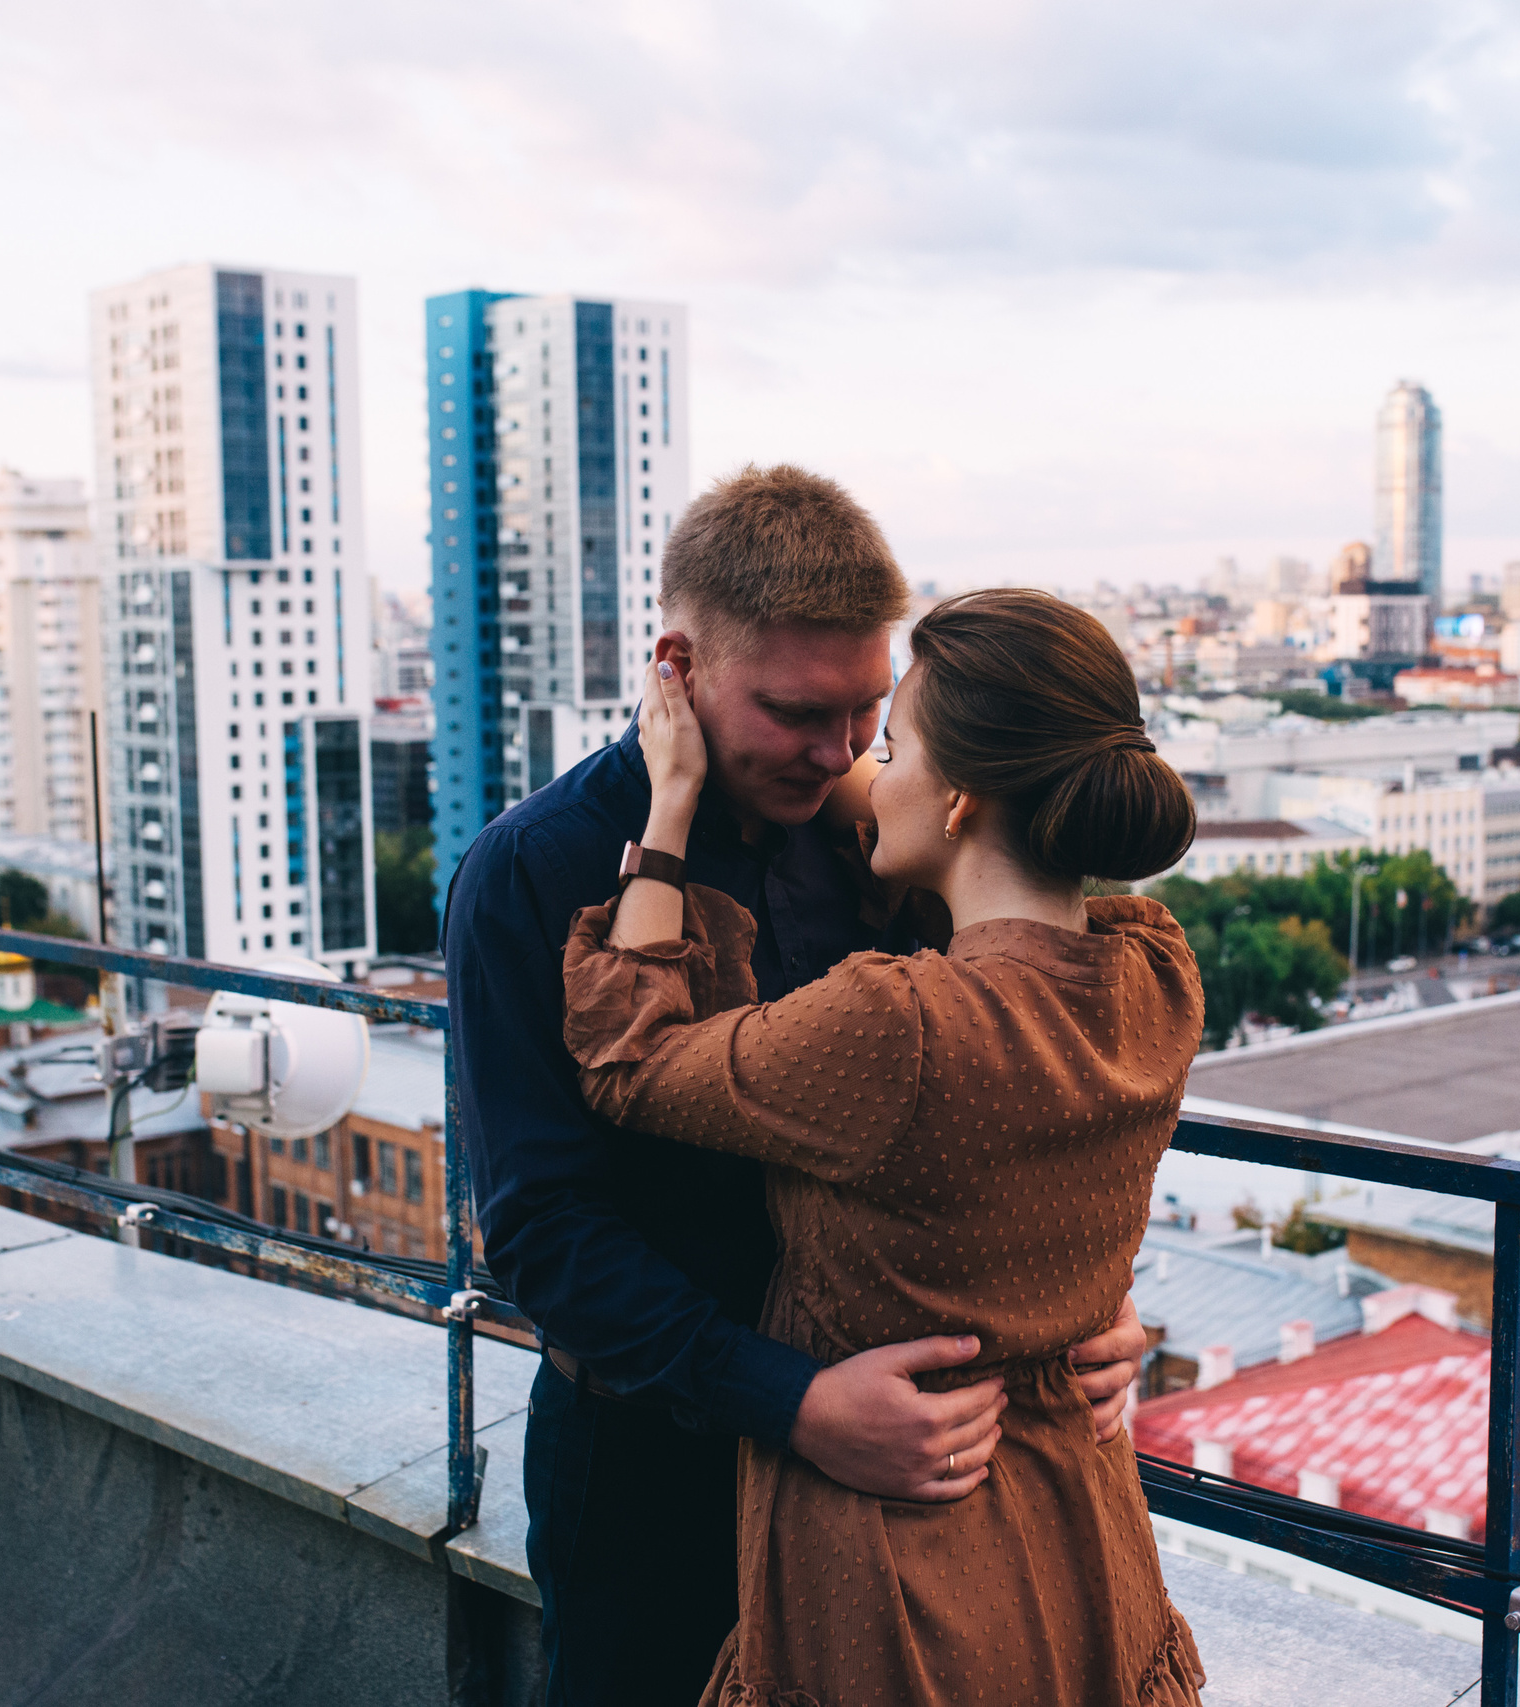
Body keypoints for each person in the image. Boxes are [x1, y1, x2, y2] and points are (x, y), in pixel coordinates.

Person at [445, 468, 1148, 1706]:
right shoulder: (531, 870)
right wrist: (792, 1402)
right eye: (795, 713)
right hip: (656, 1469)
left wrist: (1084, 1307)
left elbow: (1010, 1102)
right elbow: (540, 1230)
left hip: (903, 1480)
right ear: (677, 663)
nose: (835, 754)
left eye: (868, 715)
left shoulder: (882, 839)